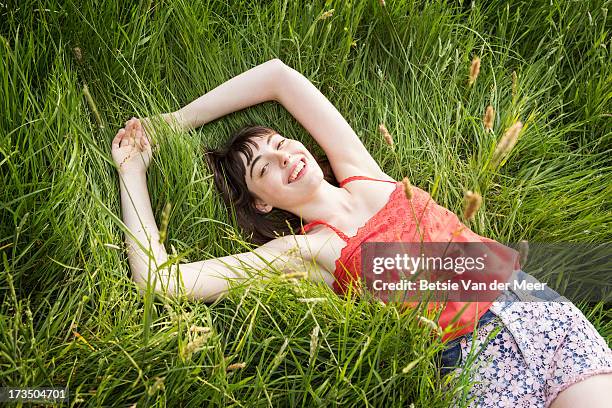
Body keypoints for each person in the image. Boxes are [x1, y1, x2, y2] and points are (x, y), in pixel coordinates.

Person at [111, 58, 612, 407]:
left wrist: (170, 122)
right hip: (473, 367)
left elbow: (278, 78)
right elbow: (161, 281)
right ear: (263, 202)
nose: (285, 156)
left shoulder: (363, 172)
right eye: (264, 168)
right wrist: (132, 171)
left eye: (282, 143)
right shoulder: (309, 249)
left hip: (530, 306)